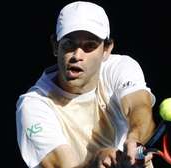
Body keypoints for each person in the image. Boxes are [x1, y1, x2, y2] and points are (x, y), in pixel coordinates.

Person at [16, 1, 156, 168]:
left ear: (107, 49)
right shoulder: (33, 105)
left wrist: (134, 140)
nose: (77, 55)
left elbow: (140, 108)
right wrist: (97, 161)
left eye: (89, 46)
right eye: (69, 44)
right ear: (55, 46)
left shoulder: (121, 68)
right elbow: (62, 165)